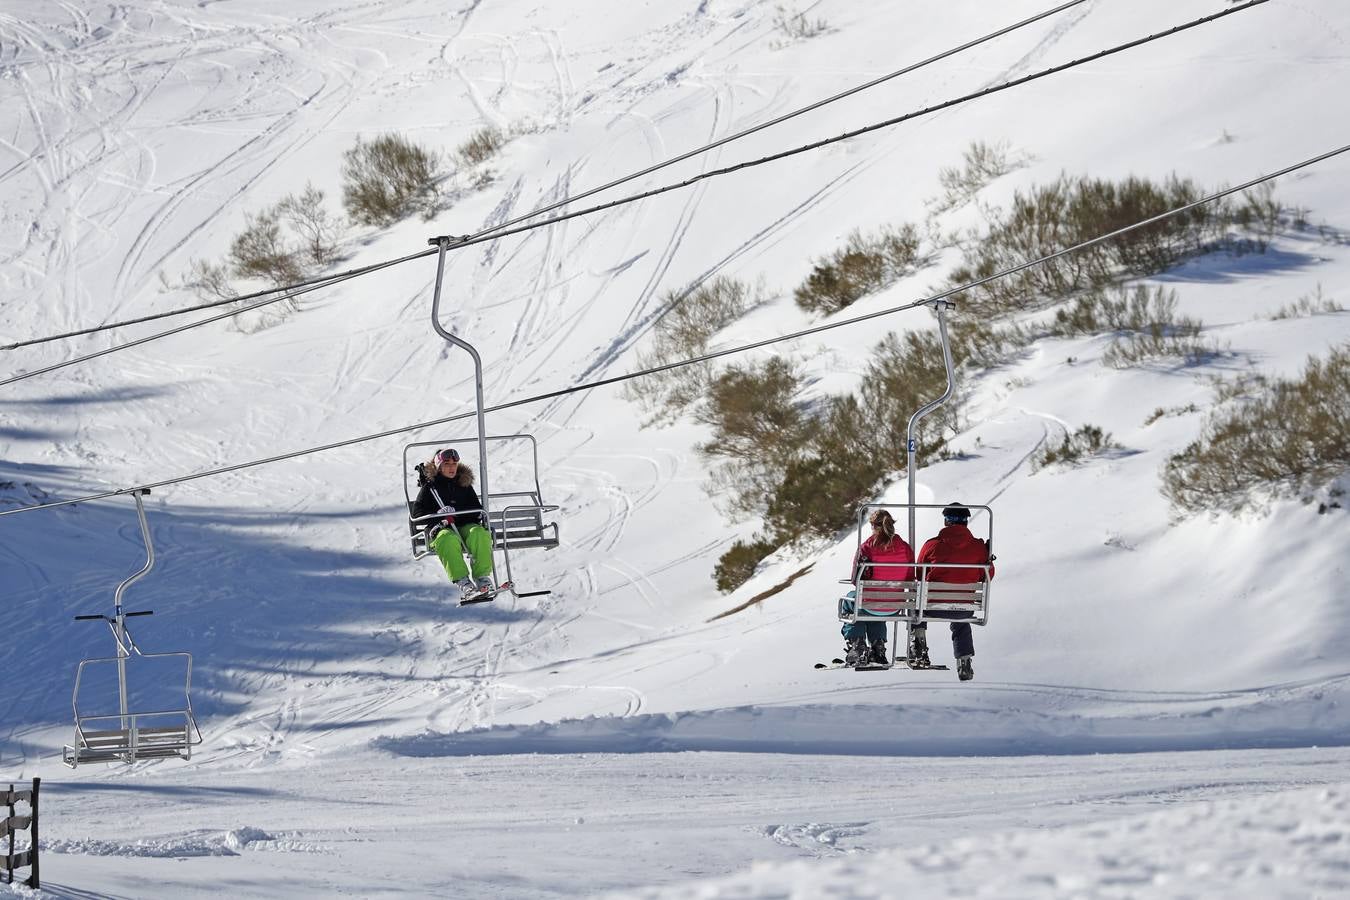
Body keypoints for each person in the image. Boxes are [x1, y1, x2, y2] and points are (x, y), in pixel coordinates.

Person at [911, 502, 994, 681]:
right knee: (960, 615)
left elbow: (918, 573)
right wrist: (987, 556)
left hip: (933, 606)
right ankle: (964, 661)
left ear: (946, 522)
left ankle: (918, 646)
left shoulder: (932, 545)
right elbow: (987, 576)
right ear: (966, 522)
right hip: (964, 607)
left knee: (913, 601)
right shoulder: (978, 547)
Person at [412, 448, 495, 599]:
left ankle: (482, 578)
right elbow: (417, 513)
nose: (451, 468)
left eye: (454, 464)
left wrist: (457, 511)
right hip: (440, 529)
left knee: (479, 534)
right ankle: (464, 583)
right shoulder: (430, 487)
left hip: (465, 526)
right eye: (447, 464)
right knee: (447, 539)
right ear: (438, 466)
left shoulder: (464, 484)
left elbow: (477, 509)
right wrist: (438, 516)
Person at [840, 509, 915, 666]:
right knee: (875, 605)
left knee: (852, 602)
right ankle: (878, 647)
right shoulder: (905, 548)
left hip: (871, 604)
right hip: (895, 606)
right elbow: (909, 577)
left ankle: (858, 645)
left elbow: (855, 579)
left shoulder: (866, 547)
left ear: (873, 526)